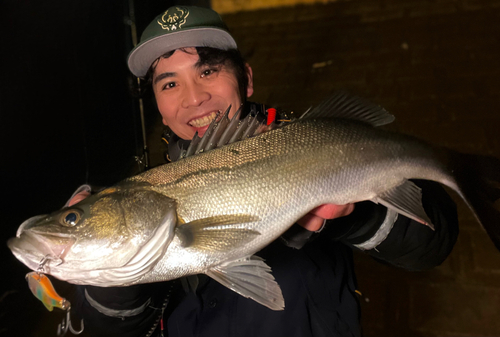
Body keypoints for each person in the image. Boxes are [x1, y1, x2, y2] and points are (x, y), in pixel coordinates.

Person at [71, 6, 458, 337]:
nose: (193, 97)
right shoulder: (144, 194)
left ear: (247, 79)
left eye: (208, 71)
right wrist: (105, 266)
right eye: (169, 83)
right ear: (157, 105)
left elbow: (432, 244)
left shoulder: (309, 141)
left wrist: (355, 216)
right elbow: (116, 329)